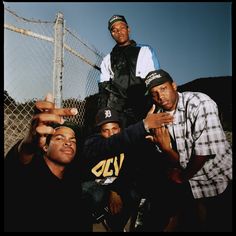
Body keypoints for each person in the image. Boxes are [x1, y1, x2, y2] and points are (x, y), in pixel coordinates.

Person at [144, 69, 232, 232]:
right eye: (154, 93)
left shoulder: (200, 103)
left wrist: (181, 175)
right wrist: (164, 148)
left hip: (218, 174)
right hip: (191, 178)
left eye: (163, 89)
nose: (160, 97)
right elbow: (176, 160)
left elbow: (203, 153)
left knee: (219, 221)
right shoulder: (159, 116)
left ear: (174, 86)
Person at [4, 94, 92, 232]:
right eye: (59, 138)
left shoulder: (72, 178)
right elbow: (17, 164)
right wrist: (30, 142)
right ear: (45, 146)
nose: (68, 142)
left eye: (73, 140)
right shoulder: (30, 174)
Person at [80, 107, 143, 232]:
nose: (111, 134)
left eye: (114, 129)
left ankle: (116, 225)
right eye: (106, 130)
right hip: (96, 186)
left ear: (120, 129)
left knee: (133, 193)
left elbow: (129, 172)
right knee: (90, 193)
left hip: (117, 184)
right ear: (99, 132)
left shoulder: (127, 145)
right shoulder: (93, 143)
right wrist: (110, 192)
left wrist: (115, 191)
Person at [98, 15, 161, 128]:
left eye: (122, 28)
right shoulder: (107, 59)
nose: (119, 32)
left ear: (128, 29)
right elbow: (103, 91)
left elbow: (155, 80)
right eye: (114, 30)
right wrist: (104, 116)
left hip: (143, 108)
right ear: (112, 34)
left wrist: (154, 107)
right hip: (119, 112)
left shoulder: (145, 50)